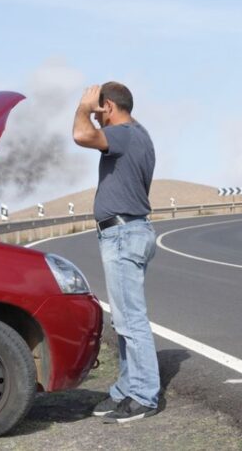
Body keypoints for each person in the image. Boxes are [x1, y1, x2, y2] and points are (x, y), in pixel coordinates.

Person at [72, 82, 160, 424]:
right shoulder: (138, 134)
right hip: (128, 232)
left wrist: (83, 108)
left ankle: (144, 395)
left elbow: (81, 134)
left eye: (98, 108)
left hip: (123, 234)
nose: (94, 114)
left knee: (131, 318)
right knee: (124, 318)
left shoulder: (123, 133)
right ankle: (127, 388)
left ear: (108, 106)